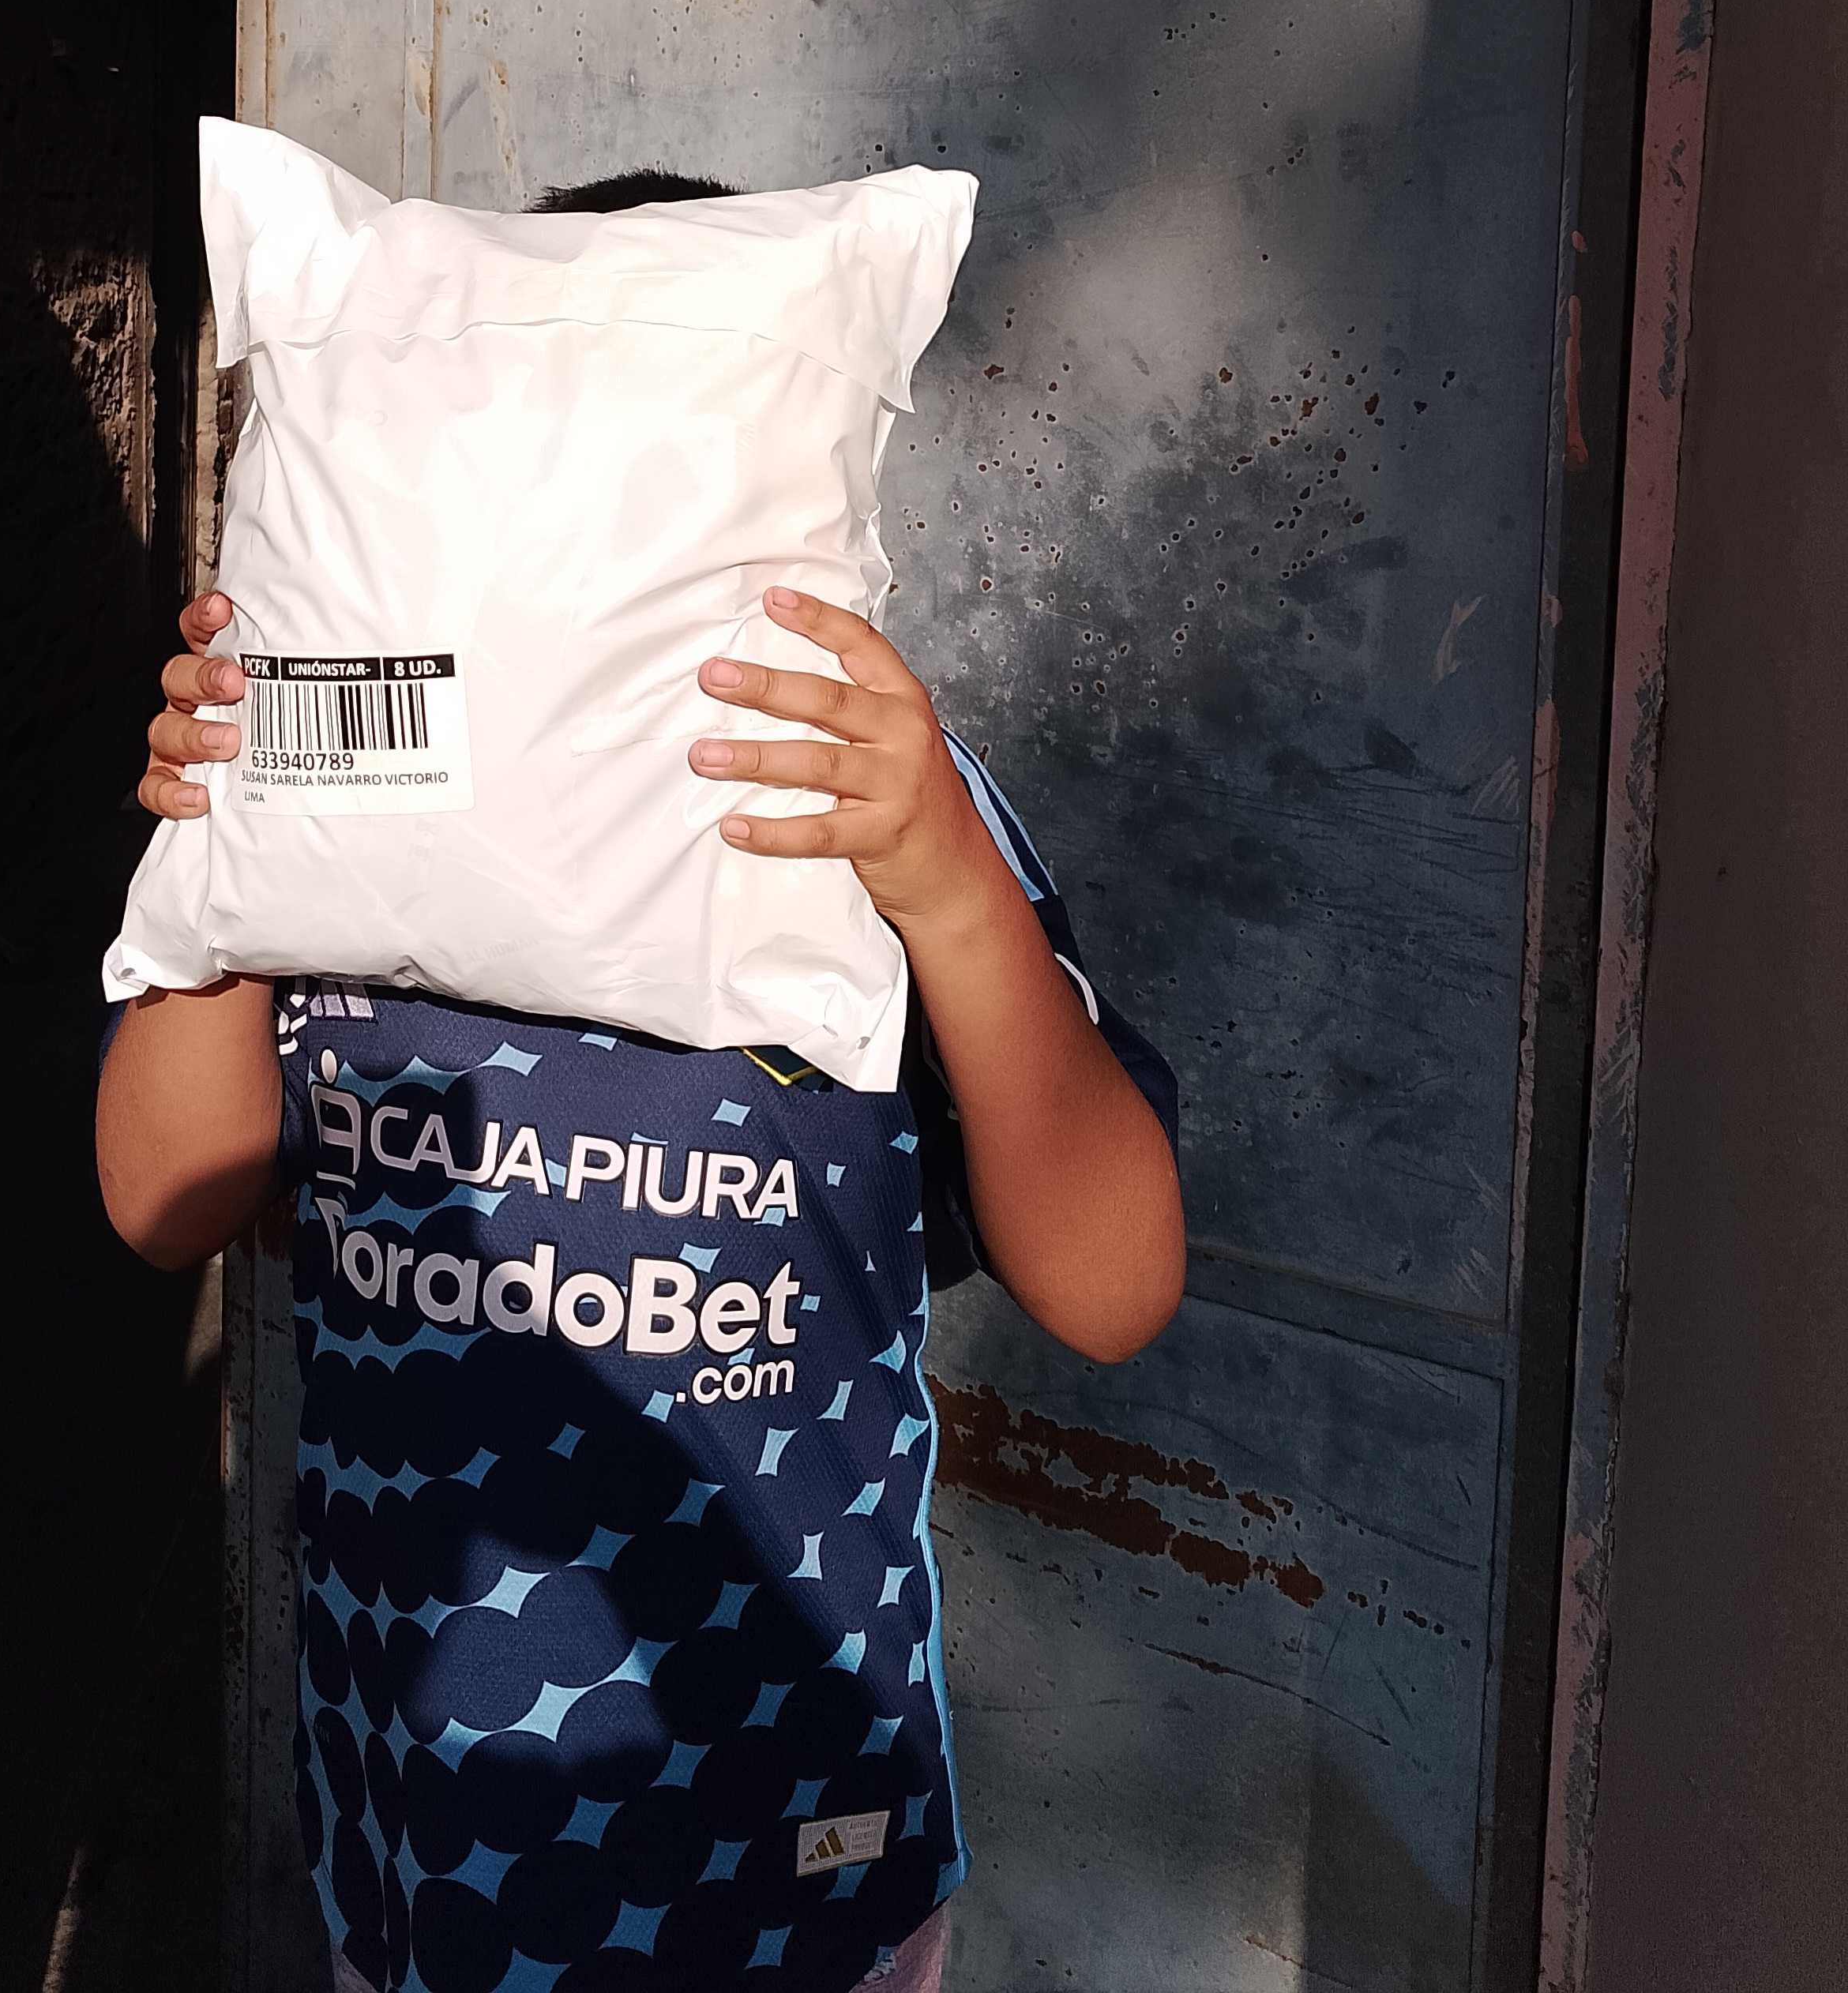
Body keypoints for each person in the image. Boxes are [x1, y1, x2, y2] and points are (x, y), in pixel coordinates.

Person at [97, 175, 1185, 1993]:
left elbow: (1113, 1282)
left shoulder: (872, 827)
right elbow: (163, 1202)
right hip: (425, 1855)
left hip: (793, 1864)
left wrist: (948, 891)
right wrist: (220, 858)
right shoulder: (336, 847)